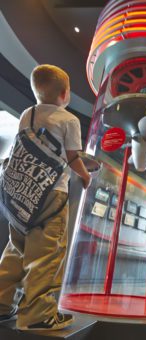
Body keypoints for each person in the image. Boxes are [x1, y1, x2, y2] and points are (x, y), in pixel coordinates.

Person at [0, 64, 91, 331]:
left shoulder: (27, 115)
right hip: (51, 195)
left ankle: (2, 305)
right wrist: (85, 176)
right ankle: (38, 315)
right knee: (47, 253)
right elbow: (73, 157)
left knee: (16, 249)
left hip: (20, 197)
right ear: (65, 93)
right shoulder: (69, 120)